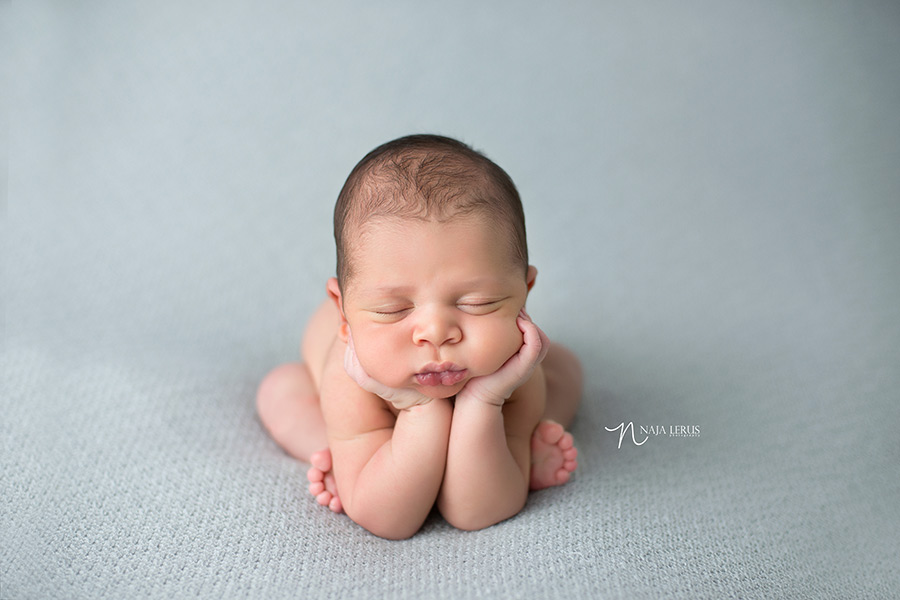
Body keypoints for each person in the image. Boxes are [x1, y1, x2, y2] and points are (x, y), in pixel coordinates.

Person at [256, 134, 582, 539]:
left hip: (495, 387)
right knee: (280, 391)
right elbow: (388, 520)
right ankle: (340, 456)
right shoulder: (351, 377)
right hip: (334, 388)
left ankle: (516, 443)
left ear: (524, 293)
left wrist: (485, 401)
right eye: (393, 310)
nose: (436, 333)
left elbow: (476, 512)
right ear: (343, 311)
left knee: (563, 365)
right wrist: (416, 408)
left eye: (477, 303)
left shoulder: (511, 371)